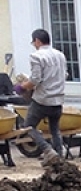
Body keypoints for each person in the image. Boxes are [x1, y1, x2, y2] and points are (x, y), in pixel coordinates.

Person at [19, 29, 68, 167]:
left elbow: (35, 80)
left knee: (28, 126)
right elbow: (65, 75)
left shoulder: (36, 56)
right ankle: (59, 158)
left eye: (33, 42)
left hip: (42, 99)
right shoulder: (60, 55)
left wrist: (22, 87)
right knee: (54, 129)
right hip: (58, 99)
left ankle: (48, 151)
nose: (34, 45)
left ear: (37, 41)